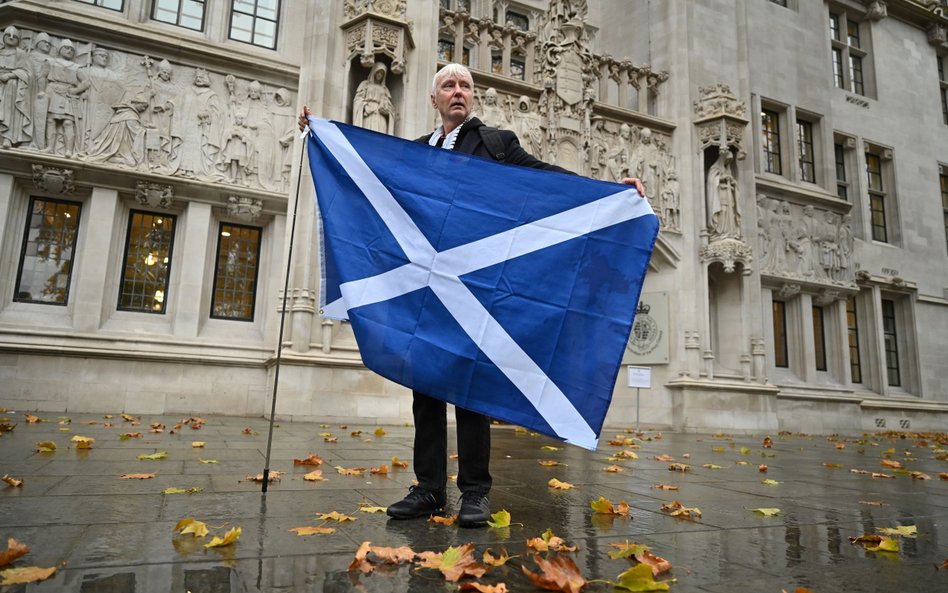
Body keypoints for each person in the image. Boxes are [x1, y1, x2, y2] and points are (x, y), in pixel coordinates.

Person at [299, 63, 644, 528]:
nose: (457, 92)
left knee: (472, 392)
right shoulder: (415, 153)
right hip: (424, 294)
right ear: (434, 98)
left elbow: (548, 180)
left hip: (475, 291)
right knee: (424, 389)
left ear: (473, 98)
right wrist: (321, 135)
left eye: (464, 86)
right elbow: (368, 178)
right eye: (448, 85)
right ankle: (428, 489)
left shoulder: (496, 144)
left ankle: (475, 492)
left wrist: (609, 194)